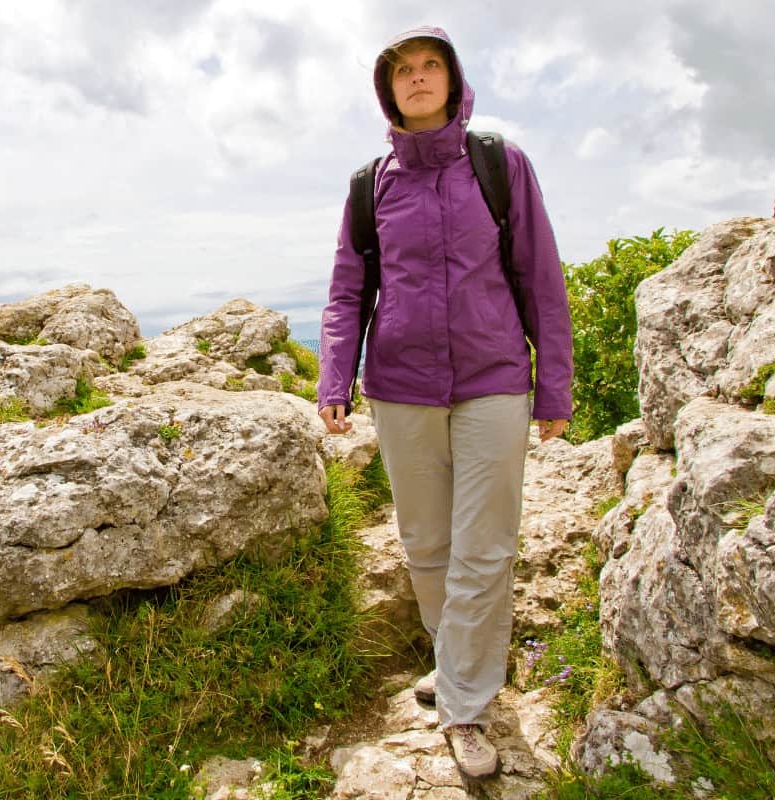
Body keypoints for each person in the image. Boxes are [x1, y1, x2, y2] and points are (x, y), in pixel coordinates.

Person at [315, 25, 573, 779]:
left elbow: (541, 279)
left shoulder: (499, 164)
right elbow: (346, 290)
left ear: (453, 81)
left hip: (494, 377)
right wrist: (336, 378)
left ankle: (464, 703)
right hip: (400, 385)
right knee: (426, 543)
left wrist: (552, 385)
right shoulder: (371, 184)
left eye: (431, 66)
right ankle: (458, 657)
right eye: (404, 71)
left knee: (485, 545)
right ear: (387, 90)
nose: (418, 78)